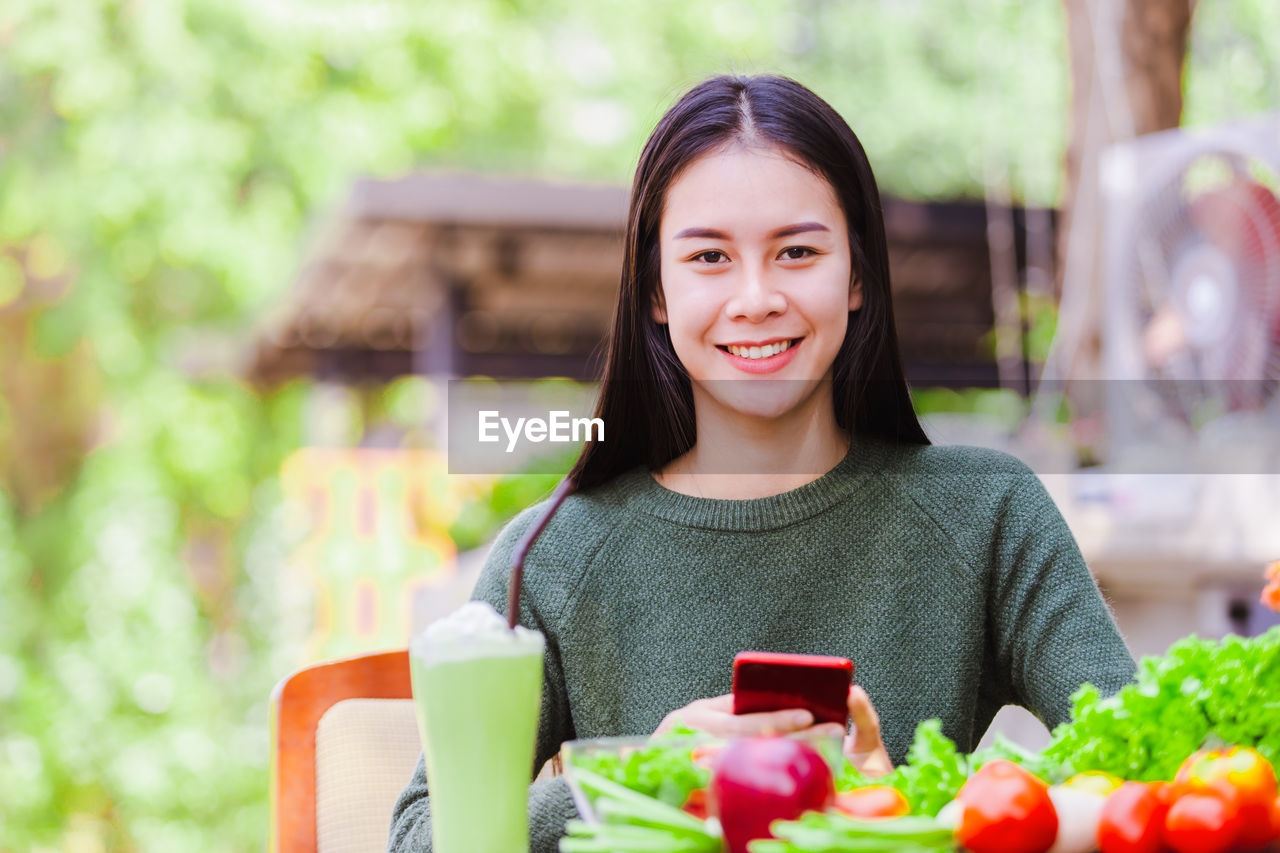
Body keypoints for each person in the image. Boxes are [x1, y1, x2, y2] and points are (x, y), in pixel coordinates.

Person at [388, 73, 1136, 853]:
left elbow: (1144, 768)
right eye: (709, 256)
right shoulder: (550, 556)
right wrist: (640, 779)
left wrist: (901, 805)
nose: (755, 297)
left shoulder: (985, 512)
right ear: (655, 290)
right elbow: (417, 836)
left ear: (855, 277)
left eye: (798, 251)